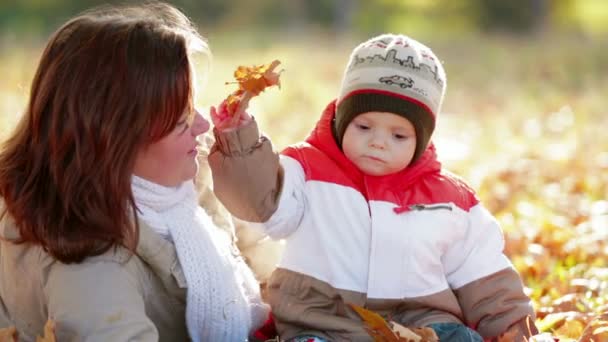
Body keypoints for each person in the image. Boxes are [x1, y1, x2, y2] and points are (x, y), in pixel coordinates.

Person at [209, 33, 539, 341]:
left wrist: (513, 328)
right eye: (364, 126)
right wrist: (239, 144)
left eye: (399, 135)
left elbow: (483, 273)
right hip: (327, 322)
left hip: (422, 326)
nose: (378, 143)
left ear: (421, 140)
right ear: (342, 119)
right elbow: (259, 201)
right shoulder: (306, 170)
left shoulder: (451, 200)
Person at [0, 3, 268, 341]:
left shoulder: (174, 189)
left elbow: (262, 250)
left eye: (192, 105)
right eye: (180, 119)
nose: (202, 125)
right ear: (115, 141)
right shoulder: (87, 264)